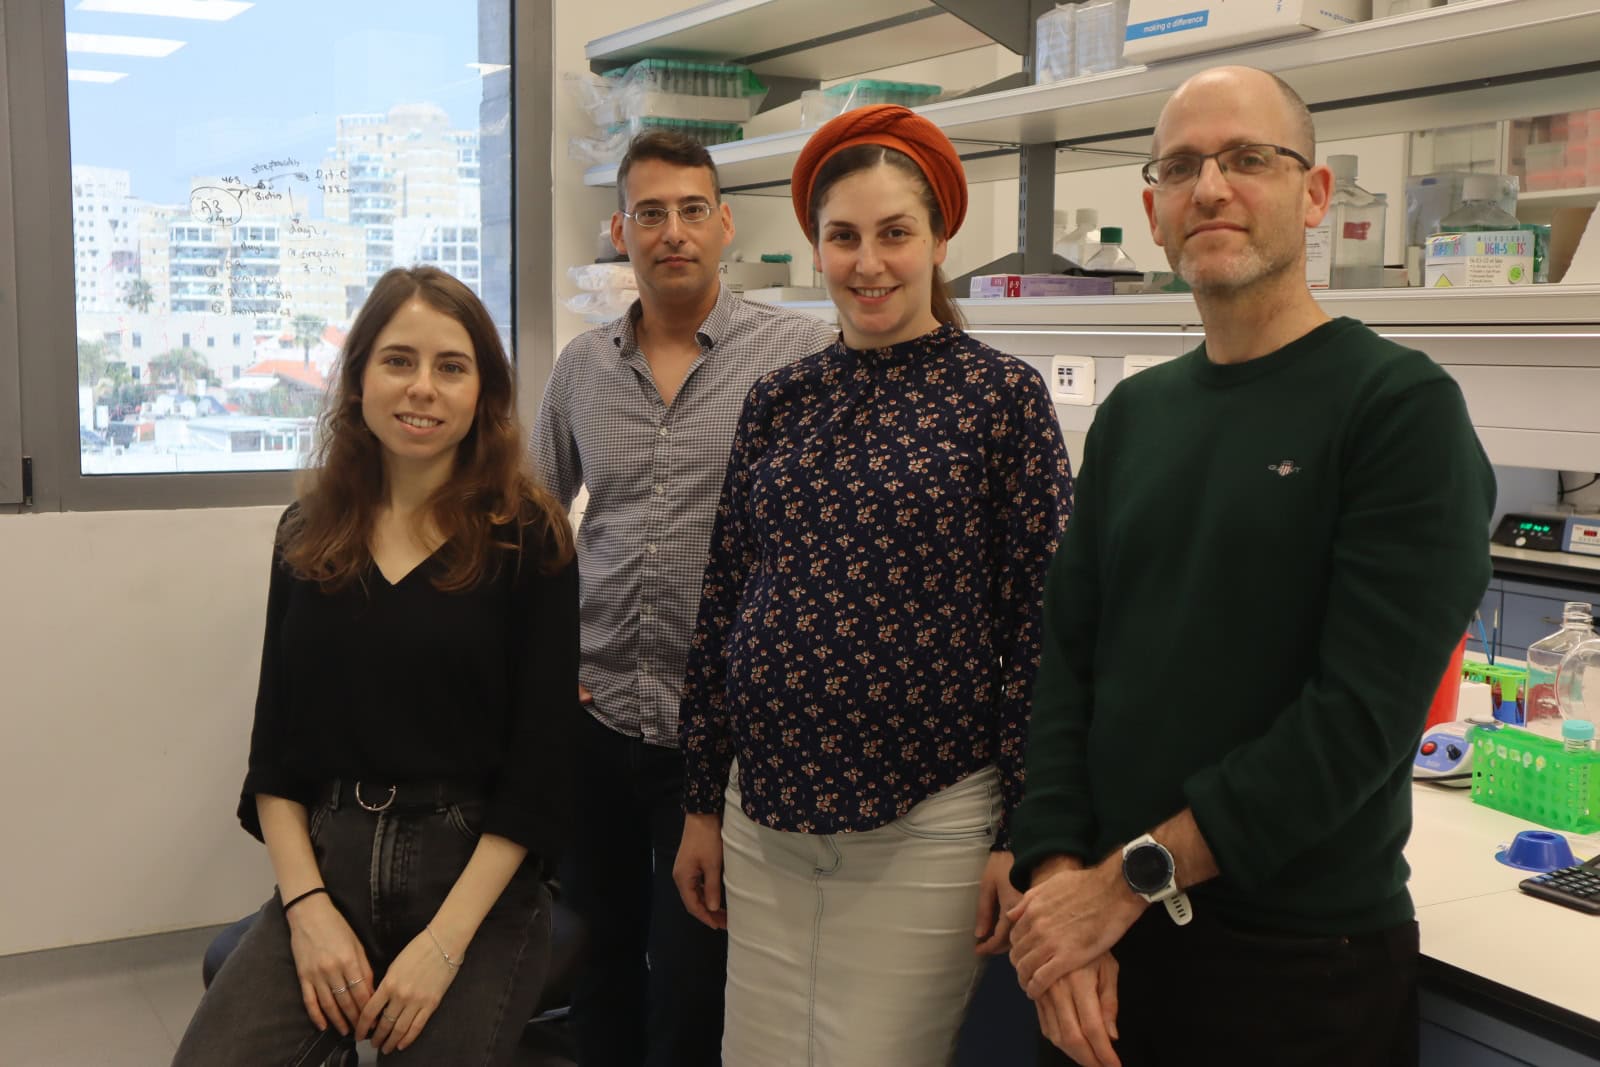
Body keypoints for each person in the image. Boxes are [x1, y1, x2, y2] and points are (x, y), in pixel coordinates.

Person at [1005, 66, 1495, 1067]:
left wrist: (1125, 880)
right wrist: (1059, 883)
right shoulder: (1134, 416)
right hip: (1103, 950)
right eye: (1181, 166)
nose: (1211, 187)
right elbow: (1065, 665)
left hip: (1296, 966)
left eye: (1248, 159)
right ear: (1154, 208)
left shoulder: (1398, 411)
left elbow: (1355, 724)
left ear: (1314, 194)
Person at [672, 104, 1073, 1065]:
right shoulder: (781, 399)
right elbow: (724, 601)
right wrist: (701, 799)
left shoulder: (1001, 398)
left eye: (895, 233)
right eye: (843, 237)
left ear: (939, 240)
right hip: (762, 814)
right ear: (816, 248)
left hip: (927, 823)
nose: (868, 262)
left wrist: (1021, 832)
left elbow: (1043, 633)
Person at [175, 266, 579, 1065]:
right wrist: (308, 911)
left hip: (475, 883)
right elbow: (275, 758)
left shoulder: (528, 537)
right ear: (359, 377)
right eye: (399, 360)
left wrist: (443, 945)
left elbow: (540, 776)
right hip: (332, 864)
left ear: (484, 392)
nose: (422, 387)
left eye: (451, 366)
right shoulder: (308, 534)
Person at [530, 129, 835, 1067]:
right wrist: (550, 669)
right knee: (597, 959)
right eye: (650, 213)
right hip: (598, 717)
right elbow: (535, 526)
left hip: (723, 737)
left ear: (724, 224)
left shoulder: (797, 355)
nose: (673, 232)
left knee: (698, 978)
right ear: (620, 231)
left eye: (692, 210)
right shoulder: (582, 367)